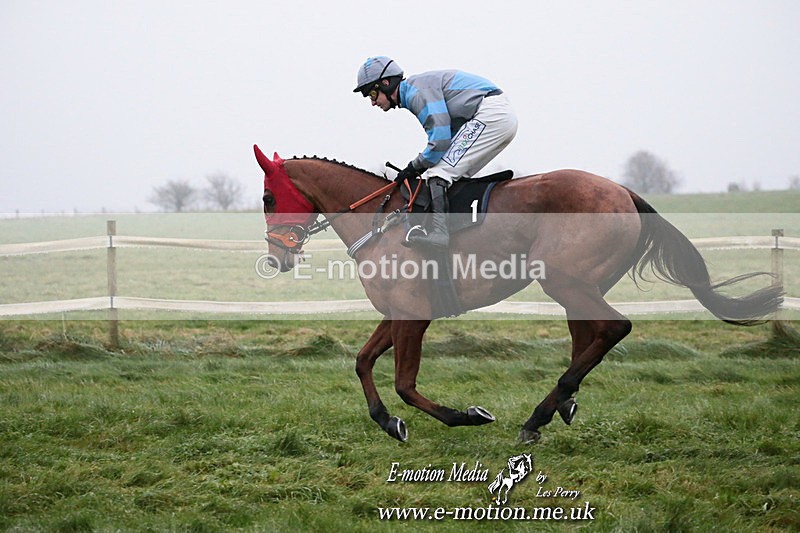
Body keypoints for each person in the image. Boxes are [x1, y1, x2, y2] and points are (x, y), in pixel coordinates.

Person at [354, 56, 518, 249]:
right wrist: (420, 165)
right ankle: (466, 236)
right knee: (451, 175)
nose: (373, 102)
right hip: (495, 115)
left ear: (386, 83)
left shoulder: (416, 93)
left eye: (372, 94)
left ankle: (440, 234)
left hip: (491, 114)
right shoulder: (415, 91)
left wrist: (414, 167)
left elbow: (440, 141)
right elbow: (448, 137)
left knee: (439, 173)